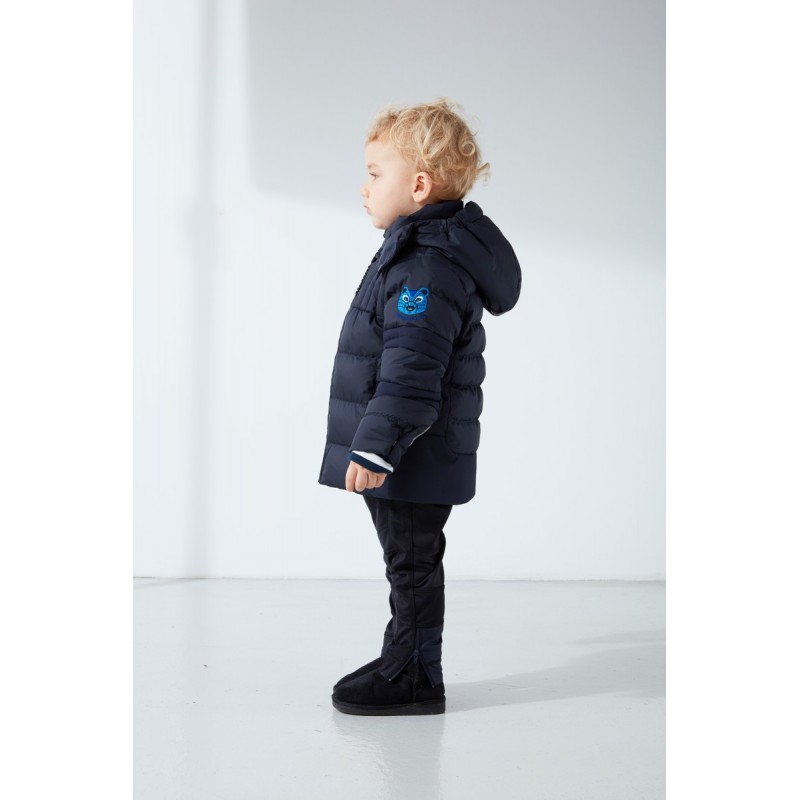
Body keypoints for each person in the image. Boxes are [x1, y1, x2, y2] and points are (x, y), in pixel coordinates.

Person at [319, 99, 521, 715]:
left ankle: (413, 675)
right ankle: (405, 659)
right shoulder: (419, 251)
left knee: (410, 563)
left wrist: (376, 446)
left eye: (375, 173)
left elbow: (411, 368)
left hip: (411, 452)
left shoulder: (426, 268)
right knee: (408, 561)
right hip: (413, 447)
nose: (364, 187)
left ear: (419, 186)